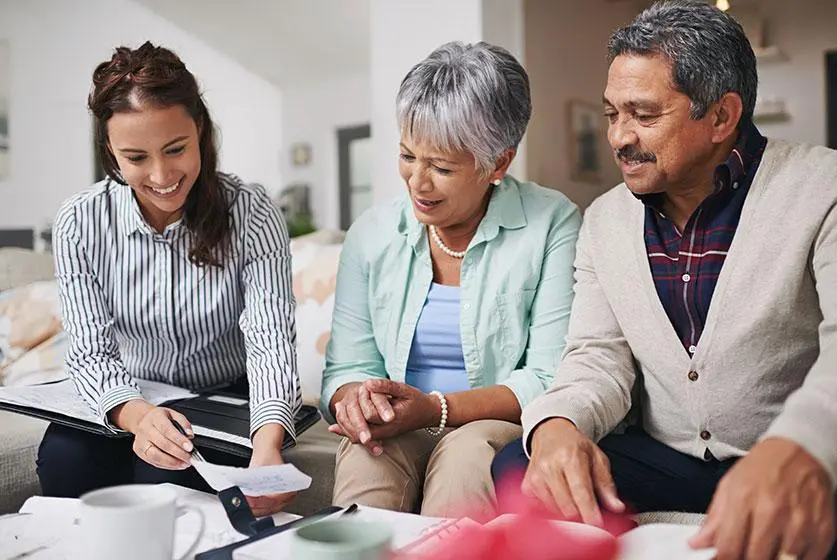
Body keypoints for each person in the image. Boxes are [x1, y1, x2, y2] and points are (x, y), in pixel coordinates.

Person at [492, 2, 837, 559]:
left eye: (644, 115)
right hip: (673, 463)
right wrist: (556, 423)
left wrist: (800, 447)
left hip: (793, 455)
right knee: (518, 463)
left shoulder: (825, 188)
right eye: (611, 114)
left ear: (722, 117)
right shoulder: (604, 221)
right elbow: (597, 356)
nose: (619, 138)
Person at [36, 42, 301, 517]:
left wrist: (266, 447)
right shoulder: (79, 220)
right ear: (110, 152)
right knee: (64, 459)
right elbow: (90, 351)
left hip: (222, 395)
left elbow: (270, 340)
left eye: (176, 149)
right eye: (136, 158)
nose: (161, 175)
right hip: (130, 394)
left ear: (199, 129)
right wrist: (138, 416)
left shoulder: (252, 211)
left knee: (166, 474)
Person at [320, 41, 581, 518]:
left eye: (441, 167)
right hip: (401, 422)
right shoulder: (373, 234)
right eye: (407, 156)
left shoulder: (552, 223)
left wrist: (436, 408)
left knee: (466, 457)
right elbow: (345, 368)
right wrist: (356, 401)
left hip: (493, 423)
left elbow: (549, 378)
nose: (417, 182)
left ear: (498, 163)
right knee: (366, 455)